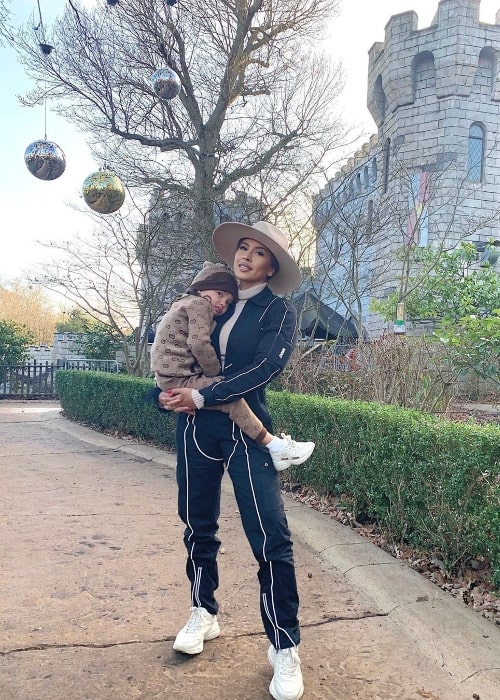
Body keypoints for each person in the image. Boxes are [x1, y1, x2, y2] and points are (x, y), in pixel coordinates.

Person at [160, 221, 307, 700]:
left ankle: (283, 645)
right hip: (196, 431)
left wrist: (202, 397)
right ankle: (204, 612)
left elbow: (263, 369)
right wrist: (160, 395)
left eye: (259, 252)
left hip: (247, 431)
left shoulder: (277, 312)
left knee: (271, 537)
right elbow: (172, 352)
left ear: (272, 265)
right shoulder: (207, 299)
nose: (246, 256)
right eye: (242, 247)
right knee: (197, 523)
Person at [150, 261, 315, 473]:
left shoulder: (276, 310)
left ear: (271, 267)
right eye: (219, 294)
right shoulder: (201, 306)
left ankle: (275, 446)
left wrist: (171, 389)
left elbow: (267, 365)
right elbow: (198, 344)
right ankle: (275, 445)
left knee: (260, 504)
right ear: (201, 288)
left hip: (227, 417)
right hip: (195, 420)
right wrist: (212, 378)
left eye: (227, 301)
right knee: (195, 503)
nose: (222, 303)